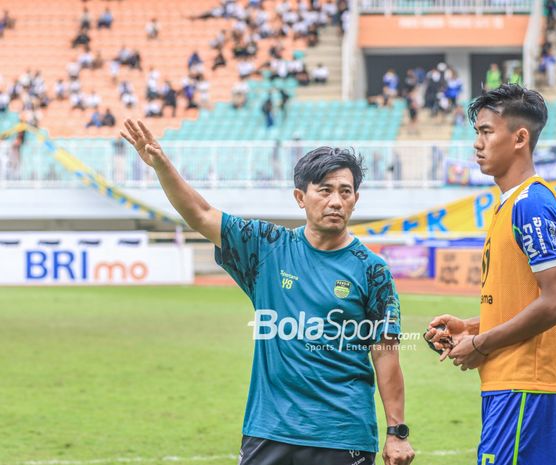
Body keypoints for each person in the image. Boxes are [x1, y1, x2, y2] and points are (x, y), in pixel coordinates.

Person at [119, 119, 416, 465]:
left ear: (355, 199)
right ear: (300, 198)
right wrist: (162, 165)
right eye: (324, 190)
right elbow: (200, 215)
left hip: (342, 433)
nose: (336, 200)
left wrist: (397, 432)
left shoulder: (372, 269)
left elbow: (386, 354)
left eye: (345, 191)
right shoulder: (266, 248)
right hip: (269, 431)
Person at [426, 84, 556, 465]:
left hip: (527, 383)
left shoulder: (532, 203)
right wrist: (472, 329)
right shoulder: (508, 205)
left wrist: (483, 344)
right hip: (509, 384)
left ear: (520, 137)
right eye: (476, 132)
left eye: (487, 131)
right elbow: (522, 298)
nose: (477, 142)